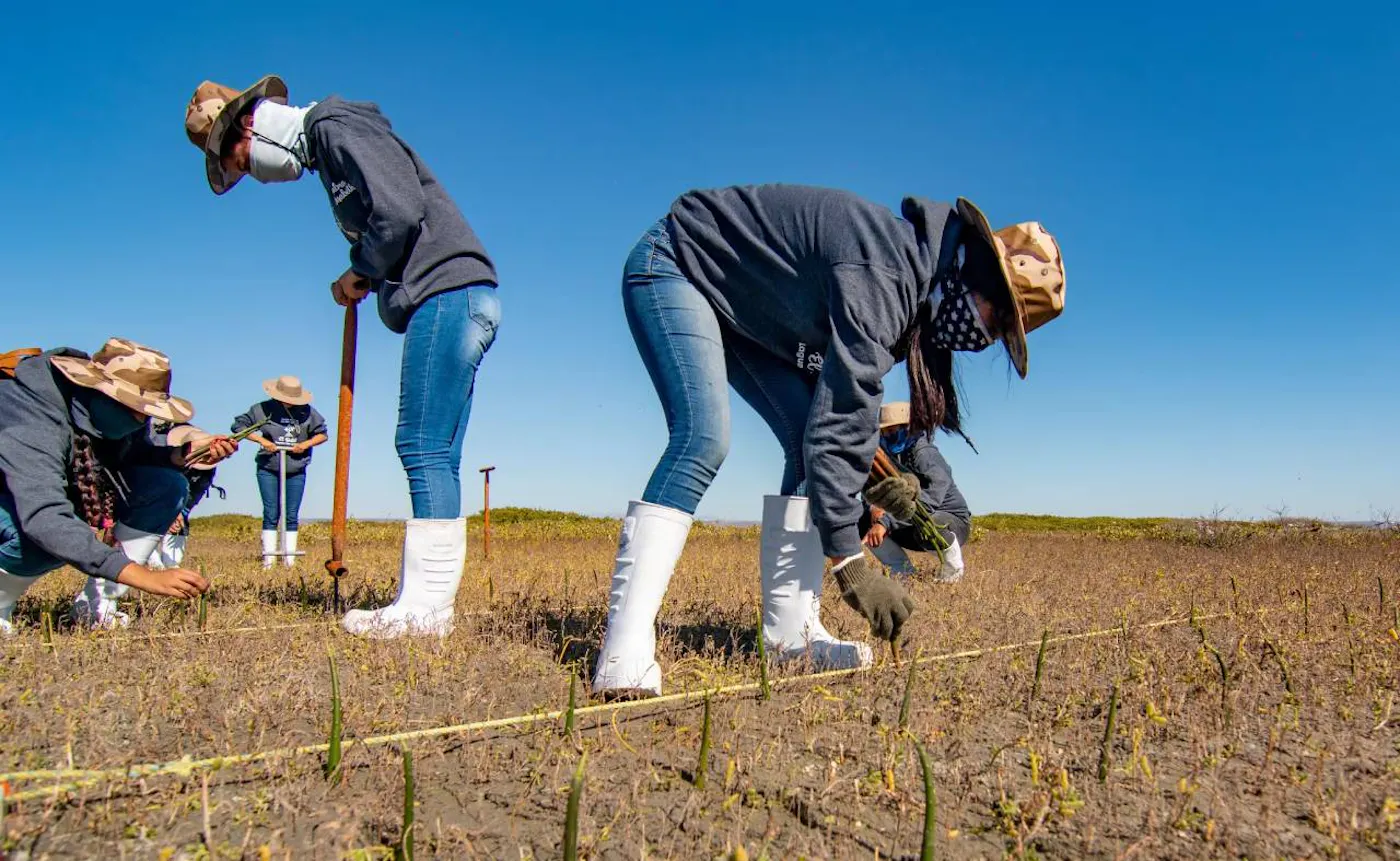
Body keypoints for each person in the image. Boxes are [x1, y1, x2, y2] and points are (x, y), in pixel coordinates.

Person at [593, 184, 1065, 699]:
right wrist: (850, 563)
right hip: (680, 265)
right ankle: (624, 646)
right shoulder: (889, 273)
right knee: (704, 437)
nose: (984, 337)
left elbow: (843, 404)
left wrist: (870, 480)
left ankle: (791, 638)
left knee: (799, 440)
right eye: (997, 320)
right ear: (976, 272)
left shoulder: (911, 295)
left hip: (748, 315)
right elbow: (837, 419)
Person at [185, 75, 500, 637]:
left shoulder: (333, 127)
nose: (248, 173)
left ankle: (423, 611)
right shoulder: (330, 149)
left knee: (421, 444)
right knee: (440, 454)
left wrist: (360, 270)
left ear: (248, 126)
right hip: (461, 295)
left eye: (236, 159)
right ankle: (432, 606)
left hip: (445, 294)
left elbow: (398, 212)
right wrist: (364, 272)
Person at [0, 340, 237, 634]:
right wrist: (141, 576)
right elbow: (43, 515)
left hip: (33, 496)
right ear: (97, 391)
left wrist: (179, 455)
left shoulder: (104, 414)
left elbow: (128, 458)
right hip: (18, 498)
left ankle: (96, 605)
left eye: (147, 412)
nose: (142, 420)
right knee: (46, 538)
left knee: (166, 485)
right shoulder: (27, 413)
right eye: (134, 409)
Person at [861, 401, 972, 583]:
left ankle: (953, 572)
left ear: (908, 427)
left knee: (930, 525)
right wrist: (873, 507)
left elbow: (929, 501)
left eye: (892, 430)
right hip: (907, 523)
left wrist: (886, 521)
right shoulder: (885, 454)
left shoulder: (925, 454)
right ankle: (903, 572)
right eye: (884, 432)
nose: (888, 436)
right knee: (860, 518)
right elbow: (870, 488)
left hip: (947, 520)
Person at [231, 376, 328, 568]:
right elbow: (238, 427)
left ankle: (289, 560)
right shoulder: (262, 409)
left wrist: (305, 444)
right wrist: (262, 441)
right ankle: (269, 560)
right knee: (271, 512)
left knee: (291, 514)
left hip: (296, 468)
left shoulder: (308, 412)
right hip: (269, 467)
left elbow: (322, 434)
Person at [147, 423, 226, 570]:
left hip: (184, 495)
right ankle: (151, 558)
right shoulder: (159, 459)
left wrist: (179, 511)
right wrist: (167, 513)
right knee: (151, 517)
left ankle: (171, 562)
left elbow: (193, 496)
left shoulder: (205, 472)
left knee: (182, 516)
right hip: (154, 499)